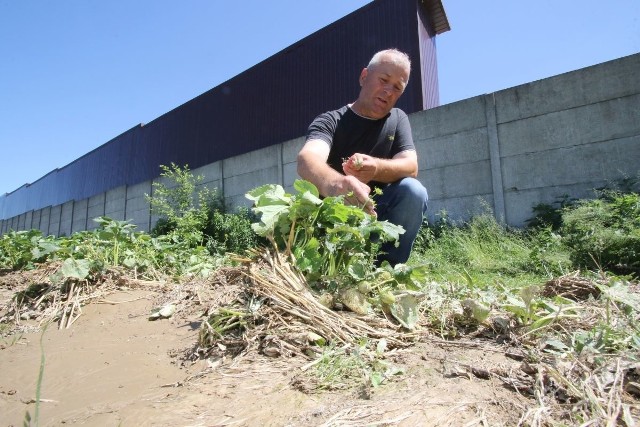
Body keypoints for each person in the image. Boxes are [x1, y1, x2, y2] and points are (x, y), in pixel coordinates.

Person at [297, 48, 428, 266]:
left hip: (377, 217)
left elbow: (411, 166)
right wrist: (336, 185)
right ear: (364, 76)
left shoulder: (397, 119)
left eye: (397, 87)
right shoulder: (331, 121)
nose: (388, 91)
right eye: (384, 80)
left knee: (413, 191)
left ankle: (387, 270)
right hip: (333, 219)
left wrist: (376, 168)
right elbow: (307, 158)